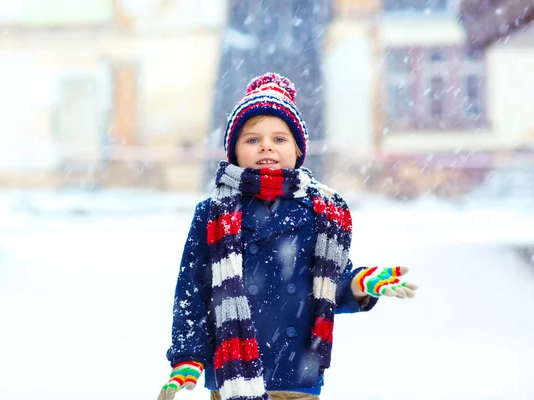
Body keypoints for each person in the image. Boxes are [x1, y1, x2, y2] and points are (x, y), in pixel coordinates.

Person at [158, 73, 418, 400]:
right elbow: (192, 293)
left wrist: (361, 283)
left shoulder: (319, 213)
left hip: (297, 375)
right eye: (252, 139)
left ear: (298, 150)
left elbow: (328, 288)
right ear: (234, 151)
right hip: (231, 377)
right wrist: (186, 357)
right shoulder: (213, 214)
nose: (266, 146)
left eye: (279, 139)